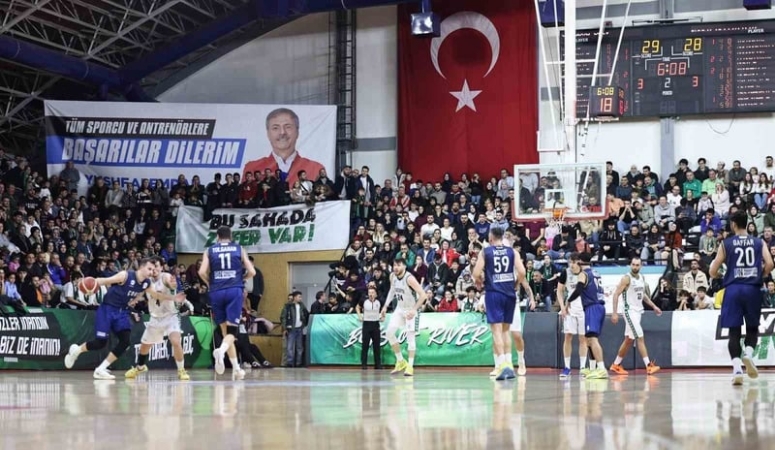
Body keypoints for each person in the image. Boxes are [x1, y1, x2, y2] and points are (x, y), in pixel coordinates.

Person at [64, 258, 183, 379]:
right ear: (141, 267)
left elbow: (156, 295)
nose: (151, 272)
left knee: (125, 342)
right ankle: (77, 351)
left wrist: (173, 298)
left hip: (122, 312)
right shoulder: (125, 276)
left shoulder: (147, 283)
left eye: (153, 269)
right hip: (107, 309)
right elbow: (104, 280)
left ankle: (100, 369)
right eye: (149, 269)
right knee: (100, 342)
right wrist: (88, 283)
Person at [710, 211, 774, 385]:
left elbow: (712, 271)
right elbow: (770, 264)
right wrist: (761, 275)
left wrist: (722, 276)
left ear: (733, 224)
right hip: (752, 289)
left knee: (734, 331)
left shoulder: (726, 244)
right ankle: (748, 353)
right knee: (752, 328)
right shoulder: (759, 242)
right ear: (747, 223)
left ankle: (737, 369)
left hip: (733, 289)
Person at [199, 226, 257, 380]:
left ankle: (236, 368)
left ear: (217, 237)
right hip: (234, 290)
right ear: (230, 236)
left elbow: (201, 272)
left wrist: (209, 283)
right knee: (232, 332)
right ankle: (221, 351)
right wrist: (241, 278)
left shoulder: (209, 250)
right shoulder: (239, 248)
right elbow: (252, 272)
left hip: (216, 291)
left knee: (225, 332)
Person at [473, 227, 526, 381]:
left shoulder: (486, 252)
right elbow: (522, 272)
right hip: (510, 294)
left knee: (496, 331)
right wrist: (516, 284)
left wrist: (480, 281)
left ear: (490, 237)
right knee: (505, 331)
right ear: (502, 237)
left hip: (494, 293)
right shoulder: (512, 252)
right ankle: (509, 364)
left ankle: (502, 365)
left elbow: (475, 273)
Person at [125, 257, 190, 381]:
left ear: (161, 267)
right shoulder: (147, 280)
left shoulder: (165, 276)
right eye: (152, 267)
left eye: (157, 266)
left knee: (175, 341)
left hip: (170, 316)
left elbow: (171, 283)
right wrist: (133, 301)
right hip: (155, 317)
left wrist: (173, 285)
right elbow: (140, 293)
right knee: (145, 346)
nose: (154, 269)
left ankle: (181, 370)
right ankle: (140, 367)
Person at [242, 108, 325, 185]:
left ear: (297, 132)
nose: (282, 132)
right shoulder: (253, 168)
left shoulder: (315, 168)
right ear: (268, 133)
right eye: (275, 128)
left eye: (288, 127)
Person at [609, 257, 663, 376]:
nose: (635, 267)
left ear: (641, 266)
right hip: (629, 310)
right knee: (640, 336)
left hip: (638, 311)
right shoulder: (626, 278)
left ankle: (616, 364)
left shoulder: (642, 278)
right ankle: (648, 366)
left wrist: (654, 306)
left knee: (629, 339)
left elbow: (643, 295)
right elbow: (616, 294)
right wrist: (614, 312)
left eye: (637, 265)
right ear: (630, 265)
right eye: (633, 264)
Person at [381, 257, 426, 377]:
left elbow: (423, 295)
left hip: (411, 309)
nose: (396, 267)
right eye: (394, 265)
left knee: (410, 338)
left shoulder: (409, 278)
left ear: (404, 266)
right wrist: (385, 306)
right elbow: (392, 291)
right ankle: (400, 361)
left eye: (399, 265)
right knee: (389, 333)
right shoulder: (392, 276)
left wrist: (414, 309)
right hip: (400, 308)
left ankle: (410, 366)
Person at [566, 252, 608, 379]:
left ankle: (601, 369)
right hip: (600, 307)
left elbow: (578, 290)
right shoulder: (595, 273)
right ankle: (594, 368)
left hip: (592, 307)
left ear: (580, 261)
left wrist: (568, 300)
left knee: (592, 339)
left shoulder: (583, 274)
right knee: (589, 339)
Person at [556, 260, 589, 378]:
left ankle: (583, 368)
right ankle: (567, 367)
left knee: (583, 339)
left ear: (579, 263)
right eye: (570, 262)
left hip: (583, 309)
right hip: (569, 309)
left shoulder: (584, 274)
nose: (571, 264)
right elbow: (559, 291)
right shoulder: (565, 273)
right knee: (568, 337)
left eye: (574, 262)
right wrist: (562, 307)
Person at [356, 286, 384, 370]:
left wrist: (383, 316)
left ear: (376, 294)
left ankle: (378, 364)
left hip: (375, 324)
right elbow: (357, 307)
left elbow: (384, 309)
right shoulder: (364, 301)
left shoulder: (379, 301)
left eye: (372, 293)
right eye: (369, 293)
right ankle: (364, 364)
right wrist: (359, 315)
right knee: (365, 345)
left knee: (377, 346)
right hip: (366, 324)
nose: (371, 294)